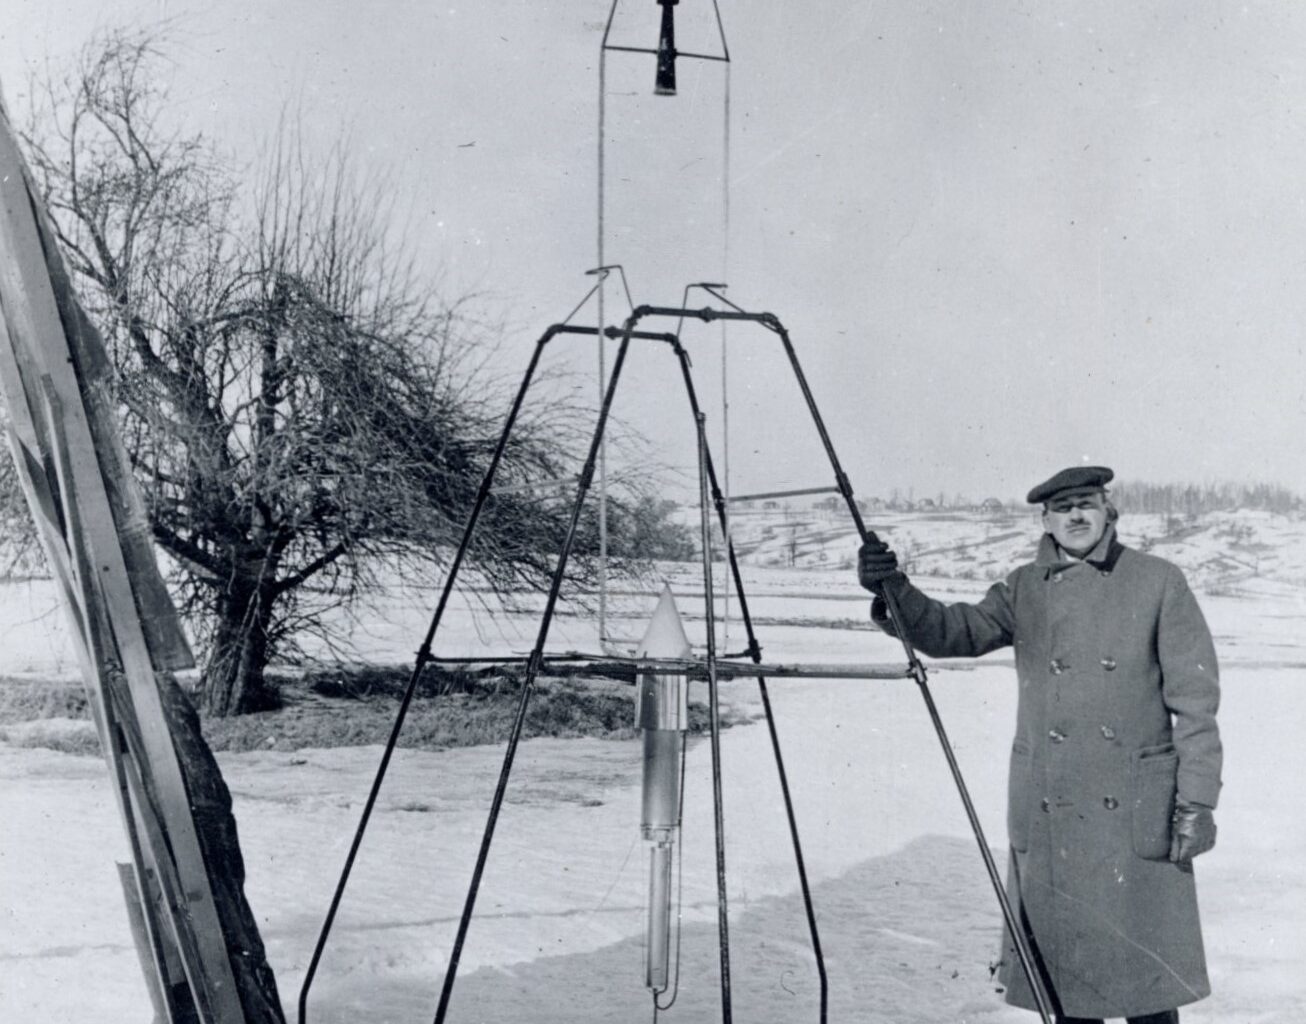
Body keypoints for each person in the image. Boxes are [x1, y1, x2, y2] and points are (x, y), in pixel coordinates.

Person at [857, 466, 1221, 1024]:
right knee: (1066, 988)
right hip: (1053, 809)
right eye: (1062, 508)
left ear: (1108, 512)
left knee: (1146, 990)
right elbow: (954, 631)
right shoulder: (1025, 586)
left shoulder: (1159, 581)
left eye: (1086, 504)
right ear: (1046, 521)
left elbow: (1196, 705)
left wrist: (1196, 802)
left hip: (1133, 809)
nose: (1076, 516)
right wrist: (895, 590)